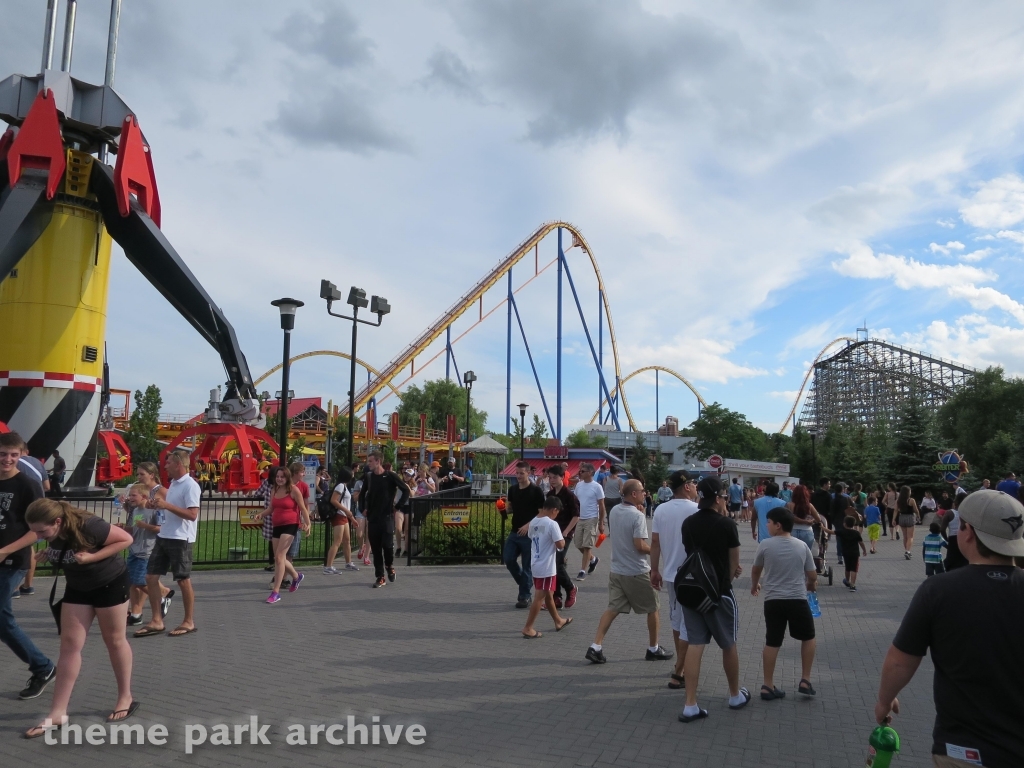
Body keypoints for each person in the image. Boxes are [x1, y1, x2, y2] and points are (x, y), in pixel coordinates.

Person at [874, 489, 1024, 768]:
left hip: (964, 749)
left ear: (967, 532)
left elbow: (900, 661)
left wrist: (885, 700)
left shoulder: (939, 590)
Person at [23, 498, 137, 737]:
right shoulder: (51, 532)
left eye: (42, 531)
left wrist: (92, 558)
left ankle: (125, 696)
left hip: (110, 583)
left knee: (114, 640)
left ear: (57, 521)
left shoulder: (89, 524)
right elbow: (64, 552)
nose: (39, 536)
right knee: (69, 645)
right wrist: (48, 553)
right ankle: (57, 712)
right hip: (78, 587)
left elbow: (126, 539)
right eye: (34, 532)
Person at [678, 476, 749, 723]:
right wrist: (727, 579)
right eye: (724, 497)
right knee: (728, 643)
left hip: (692, 591)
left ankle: (690, 704)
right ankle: (734, 695)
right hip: (718, 594)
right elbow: (733, 565)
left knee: (695, 644)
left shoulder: (688, 523)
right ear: (718, 498)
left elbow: (692, 554)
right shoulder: (727, 525)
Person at [585, 480, 672, 663]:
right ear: (634, 494)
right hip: (636, 570)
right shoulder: (637, 516)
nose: (644, 493)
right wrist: (657, 550)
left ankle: (596, 646)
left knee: (613, 608)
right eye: (642, 491)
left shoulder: (615, 510)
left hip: (617, 570)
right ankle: (653, 648)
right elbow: (639, 545)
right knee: (653, 608)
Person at [0, 432, 54, 700]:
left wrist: (5, 551)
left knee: (1, 617)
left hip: (12, 561)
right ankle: (42, 666)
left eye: (13, 454)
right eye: (2, 454)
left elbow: (40, 530)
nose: (7, 459)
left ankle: (42, 666)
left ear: (22, 455)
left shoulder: (28, 485)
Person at [750, 507, 818, 700]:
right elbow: (812, 575)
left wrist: (755, 586)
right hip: (797, 599)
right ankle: (805, 679)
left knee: (772, 641)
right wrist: (810, 585)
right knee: (809, 637)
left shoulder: (765, 545)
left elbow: (756, 570)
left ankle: (767, 685)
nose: (767, 525)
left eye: (769, 522)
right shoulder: (801, 546)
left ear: (778, 526)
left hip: (773, 601)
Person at [133, 450, 200, 637]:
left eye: (169, 462)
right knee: (150, 577)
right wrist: (157, 506)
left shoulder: (190, 485)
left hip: (181, 538)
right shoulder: (173, 485)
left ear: (178, 464)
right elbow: (170, 510)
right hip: (165, 535)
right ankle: (156, 621)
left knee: (182, 579)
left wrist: (166, 505)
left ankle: (188, 621)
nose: (165, 466)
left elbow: (192, 515)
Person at [650, 469, 699, 689]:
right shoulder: (697, 510)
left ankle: (682, 664)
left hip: (671, 575)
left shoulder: (660, 509)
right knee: (691, 623)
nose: (696, 487)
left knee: (677, 621)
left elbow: (655, 543)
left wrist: (654, 570)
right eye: (694, 484)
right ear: (687, 486)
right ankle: (680, 669)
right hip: (694, 576)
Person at [258, 466, 311, 603]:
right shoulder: (274, 490)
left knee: (280, 557)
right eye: (277, 477)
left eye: (282, 477)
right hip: (277, 526)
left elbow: (303, 508)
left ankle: (275, 592)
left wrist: (308, 523)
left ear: (287, 477)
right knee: (278, 557)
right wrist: (261, 515)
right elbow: (271, 508)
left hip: (291, 525)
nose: (279, 479)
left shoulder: (294, 490)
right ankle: (296, 575)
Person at [521, 496, 571, 638]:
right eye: (557, 512)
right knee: (540, 596)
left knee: (549, 593)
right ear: (554, 510)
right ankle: (528, 627)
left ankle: (558, 620)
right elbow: (560, 544)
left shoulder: (534, 521)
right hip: (546, 565)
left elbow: (532, 537)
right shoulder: (551, 524)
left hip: (536, 561)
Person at [360, 451, 410, 588]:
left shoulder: (390, 476)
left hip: (387, 518)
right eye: (368, 461)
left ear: (378, 461)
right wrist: (362, 508)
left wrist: (398, 506)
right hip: (373, 518)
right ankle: (380, 577)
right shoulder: (369, 477)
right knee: (376, 550)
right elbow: (362, 494)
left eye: (370, 461)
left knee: (387, 547)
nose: (368, 464)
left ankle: (389, 566)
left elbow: (406, 490)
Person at [123, 482, 170, 626]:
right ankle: (137, 614)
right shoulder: (136, 511)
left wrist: (146, 526)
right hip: (134, 549)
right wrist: (123, 528)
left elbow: (162, 529)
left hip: (148, 551)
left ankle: (162, 597)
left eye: (133, 495)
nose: (130, 498)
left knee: (139, 581)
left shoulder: (154, 511)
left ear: (143, 496)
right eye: (129, 495)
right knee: (130, 581)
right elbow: (135, 529)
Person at [502, 461, 545, 608]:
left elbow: (542, 513)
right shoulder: (512, 489)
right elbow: (510, 509)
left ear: (528, 473)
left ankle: (524, 596)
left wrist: (529, 525)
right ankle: (525, 584)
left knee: (527, 566)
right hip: (515, 531)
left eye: (522, 473)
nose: (518, 476)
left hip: (530, 534)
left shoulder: (536, 491)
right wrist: (503, 509)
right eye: (517, 473)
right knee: (508, 558)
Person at [546, 466, 579, 608]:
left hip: (565, 533)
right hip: (551, 533)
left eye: (555, 477)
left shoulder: (570, 496)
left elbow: (576, 516)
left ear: (562, 477)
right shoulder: (550, 495)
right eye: (550, 477)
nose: (552, 480)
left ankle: (570, 587)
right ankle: (556, 597)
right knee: (552, 564)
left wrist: (566, 531)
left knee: (557, 562)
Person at [572, 462, 606, 580]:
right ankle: (593, 559)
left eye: (583, 471)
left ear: (591, 473)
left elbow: (601, 505)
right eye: (580, 471)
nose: (580, 473)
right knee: (578, 544)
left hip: (592, 518)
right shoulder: (579, 485)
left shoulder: (597, 486)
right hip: (580, 518)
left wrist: (601, 522)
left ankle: (582, 571)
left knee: (587, 545)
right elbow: (575, 502)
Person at [325, 468, 358, 573]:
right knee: (337, 541)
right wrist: (346, 512)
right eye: (351, 473)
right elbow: (334, 500)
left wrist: (351, 518)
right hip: (339, 515)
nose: (353, 474)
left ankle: (348, 563)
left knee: (347, 540)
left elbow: (345, 504)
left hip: (344, 516)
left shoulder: (344, 486)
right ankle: (328, 566)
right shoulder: (340, 486)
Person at [836, 516, 867, 590]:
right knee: (854, 569)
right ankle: (852, 584)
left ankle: (847, 580)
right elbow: (861, 543)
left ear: (844, 524)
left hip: (846, 553)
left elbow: (830, 531)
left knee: (847, 568)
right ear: (854, 524)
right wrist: (864, 550)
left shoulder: (842, 532)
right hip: (855, 553)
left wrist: (822, 527)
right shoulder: (856, 533)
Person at [939, 493, 968, 570]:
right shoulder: (968, 513)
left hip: (952, 538)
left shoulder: (949, 513)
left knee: (952, 560)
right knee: (964, 559)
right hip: (965, 538)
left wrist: (946, 539)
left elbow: (942, 529)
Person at [896, 485, 920, 559]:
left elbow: (896, 510)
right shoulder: (911, 500)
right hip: (910, 517)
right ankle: (908, 551)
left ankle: (906, 550)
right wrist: (918, 516)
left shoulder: (898, 500)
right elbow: (915, 510)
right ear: (908, 492)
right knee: (910, 536)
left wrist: (894, 519)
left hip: (902, 518)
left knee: (905, 536)